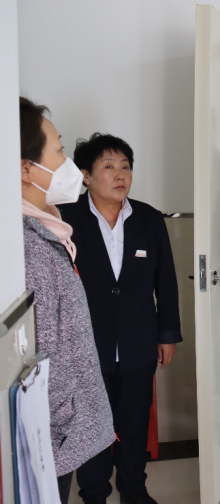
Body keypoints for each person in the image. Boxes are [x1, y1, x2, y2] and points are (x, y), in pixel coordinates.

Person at [60, 133, 182, 504]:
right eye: (109, 166)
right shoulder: (66, 218)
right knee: (92, 426)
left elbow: (166, 280)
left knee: (133, 423)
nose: (120, 175)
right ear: (86, 175)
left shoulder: (148, 218)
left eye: (126, 167)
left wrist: (167, 334)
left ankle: (133, 488)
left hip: (138, 343)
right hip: (85, 347)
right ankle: (94, 493)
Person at [19, 97, 115, 504]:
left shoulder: (45, 229)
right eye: (58, 151)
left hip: (58, 431)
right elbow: (39, 353)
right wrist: (65, 425)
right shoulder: (26, 248)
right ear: (26, 168)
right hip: (52, 436)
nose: (69, 166)